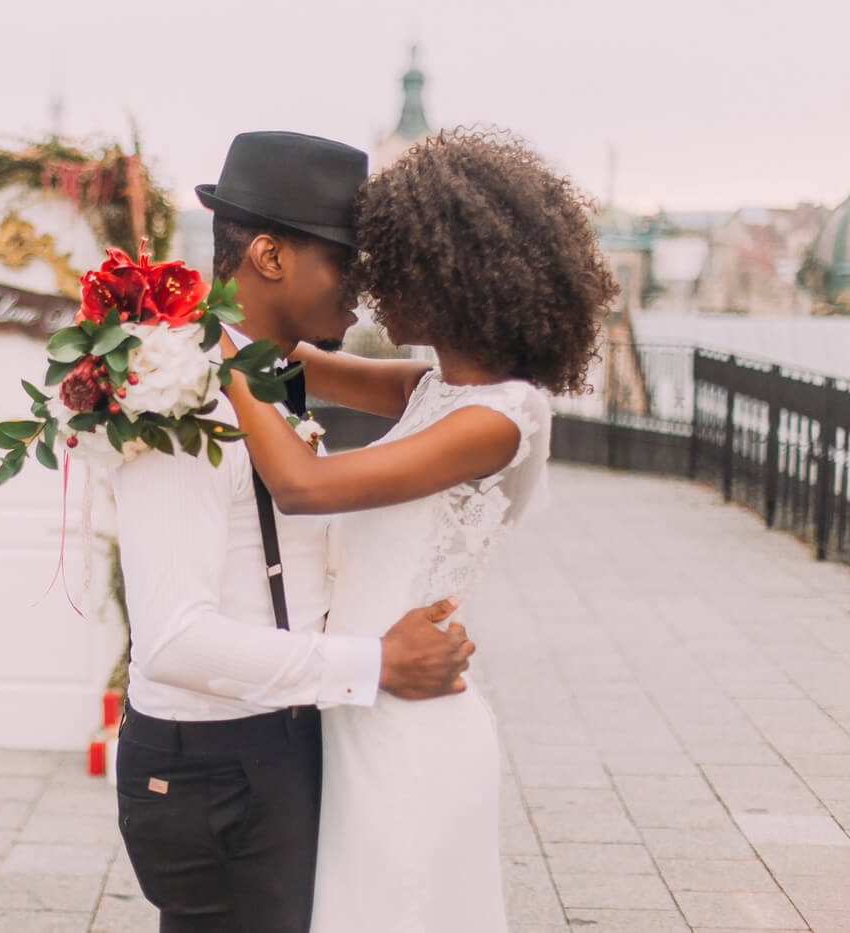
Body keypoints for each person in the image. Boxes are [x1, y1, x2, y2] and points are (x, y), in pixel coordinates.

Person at [218, 128, 617, 932]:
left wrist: (210, 361)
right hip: (363, 702)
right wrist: (187, 320)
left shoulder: (503, 417)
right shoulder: (430, 387)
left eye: (389, 267)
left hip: (411, 736)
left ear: (451, 274)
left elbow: (299, 485)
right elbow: (282, 364)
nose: (366, 292)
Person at [111, 130, 476, 933]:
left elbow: (433, 390)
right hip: (216, 767)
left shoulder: (269, 364)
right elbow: (173, 641)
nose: (363, 289)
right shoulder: (180, 394)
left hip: (274, 736)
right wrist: (377, 663)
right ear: (270, 257)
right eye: (348, 259)